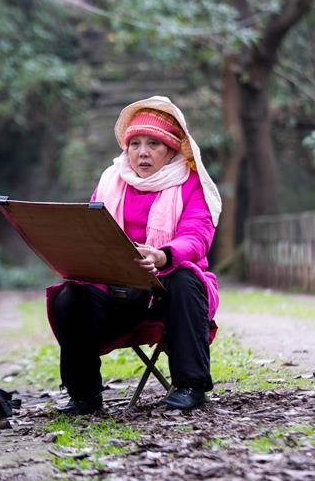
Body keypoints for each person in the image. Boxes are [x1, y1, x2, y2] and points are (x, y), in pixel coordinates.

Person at [46, 96, 222, 414]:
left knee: (184, 278)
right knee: (70, 298)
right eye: (135, 143)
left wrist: (163, 256)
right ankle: (84, 394)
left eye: (154, 143)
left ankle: (190, 386)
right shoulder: (109, 182)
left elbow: (197, 237)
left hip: (167, 292)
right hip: (117, 293)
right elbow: (90, 231)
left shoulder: (191, 184)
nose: (142, 152)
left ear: (171, 150)